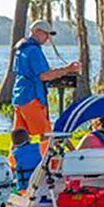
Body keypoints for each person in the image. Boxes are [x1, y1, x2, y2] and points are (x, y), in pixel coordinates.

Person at [12, 20, 81, 153]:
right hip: (32, 97)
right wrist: (67, 70)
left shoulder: (22, 48)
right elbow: (43, 75)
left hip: (20, 96)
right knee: (46, 134)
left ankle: (13, 165)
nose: (47, 38)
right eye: (46, 34)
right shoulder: (34, 51)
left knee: (19, 136)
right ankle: (44, 165)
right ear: (36, 31)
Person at [9, 128, 42, 194]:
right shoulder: (40, 148)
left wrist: (11, 151)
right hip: (41, 188)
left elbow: (10, 172)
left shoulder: (14, 155)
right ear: (28, 139)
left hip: (24, 190)